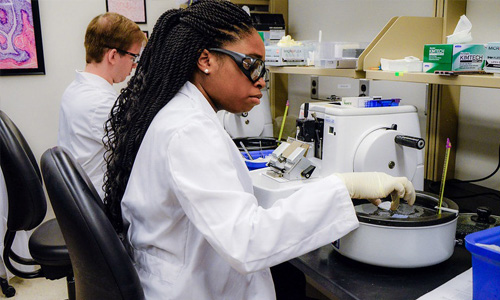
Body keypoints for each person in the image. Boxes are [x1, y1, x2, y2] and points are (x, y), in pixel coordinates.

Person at [102, 1, 416, 299]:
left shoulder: (180, 113)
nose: (261, 82)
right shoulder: (189, 129)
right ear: (206, 59)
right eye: (251, 65)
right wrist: (342, 188)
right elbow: (248, 241)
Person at [58, 12, 147, 199]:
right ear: (113, 56)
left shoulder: (75, 89)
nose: (134, 66)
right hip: (100, 204)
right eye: (133, 57)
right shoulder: (101, 103)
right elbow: (143, 149)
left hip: (80, 196)